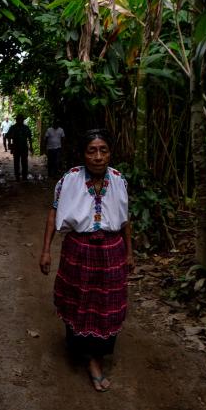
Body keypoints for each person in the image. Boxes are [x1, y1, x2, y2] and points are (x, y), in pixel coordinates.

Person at [39, 129, 134, 391]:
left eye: (103, 150)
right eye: (92, 151)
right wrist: (46, 249)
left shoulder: (118, 179)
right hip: (79, 249)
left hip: (111, 250)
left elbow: (125, 218)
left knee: (107, 304)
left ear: (110, 153)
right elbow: (54, 213)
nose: (98, 156)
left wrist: (129, 251)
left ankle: (97, 357)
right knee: (79, 300)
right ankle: (83, 352)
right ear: (83, 154)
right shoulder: (68, 179)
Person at [5, 114, 33, 181]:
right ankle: (17, 176)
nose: (20, 121)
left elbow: (29, 137)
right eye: (19, 119)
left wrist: (31, 147)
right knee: (16, 162)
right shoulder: (13, 127)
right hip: (16, 147)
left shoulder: (26, 128)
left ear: (23, 120)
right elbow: (8, 136)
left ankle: (24, 176)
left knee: (24, 162)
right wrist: (9, 144)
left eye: (21, 119)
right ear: (16, 120)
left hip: (24, 148)